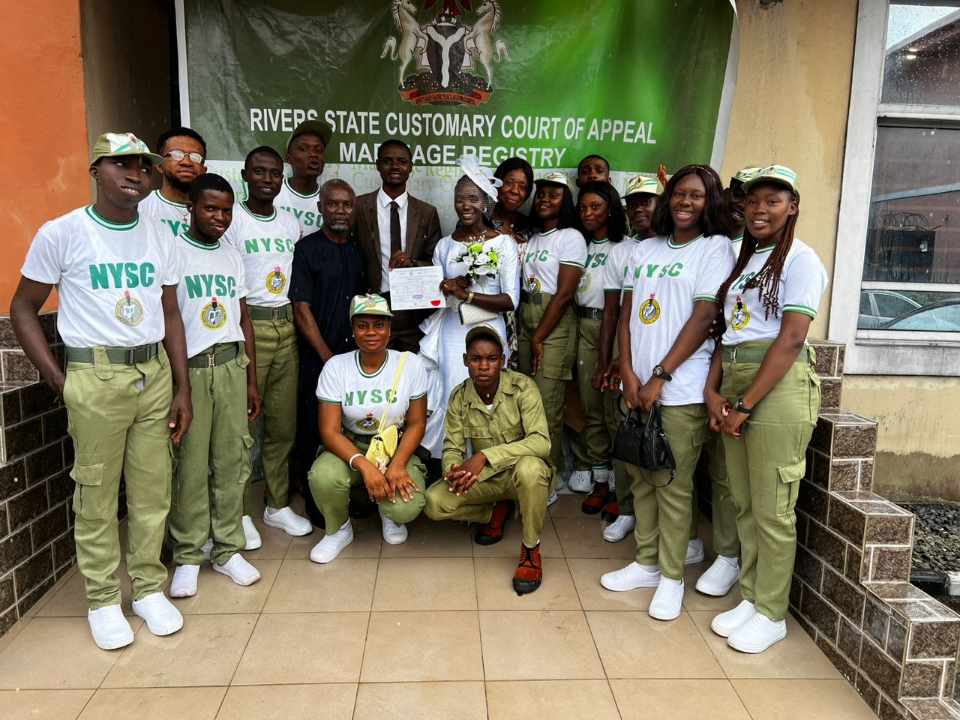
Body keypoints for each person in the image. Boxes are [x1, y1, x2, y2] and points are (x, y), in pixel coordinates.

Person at [10, 132, 192, 649]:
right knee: (96, 493)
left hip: (152, 372)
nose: (135, 174)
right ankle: (103, 598)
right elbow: (23, 308)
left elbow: (171, 313)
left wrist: (182, 387)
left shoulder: (160, 235)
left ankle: (149, 588)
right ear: (95, 171)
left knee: (152, 490)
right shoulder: (62, 232)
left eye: (144, 166)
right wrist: (60, 380)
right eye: (121, 164)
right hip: (95, 376)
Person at [602, 164, 733, 622]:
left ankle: (672, 578)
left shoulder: (715, 248)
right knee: (641, 474)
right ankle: (646, 563)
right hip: (637, 385)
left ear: (710, 202)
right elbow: (627, 316)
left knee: (673, 487)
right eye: (679, 193)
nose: (685, 202)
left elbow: (703, 317)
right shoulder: (645, 248)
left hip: (680, 389)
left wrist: (661, 374)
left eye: (696, 195)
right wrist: (628, 372)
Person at [706, 165, 827, 653]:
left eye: (773, 201)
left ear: (792, 207)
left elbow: (792, 338)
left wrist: (745, 404)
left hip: (776, 387)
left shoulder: (801, 259)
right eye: (753, 201)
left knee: (773, 509)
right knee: (745, 501)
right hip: (738, 378)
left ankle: (772, 613)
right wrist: (716, 392)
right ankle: (752, 596)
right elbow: (731, 331)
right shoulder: (748, 258)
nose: (760, 209)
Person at [168, 173, 263, 598]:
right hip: (190, 368)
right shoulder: (172, 251)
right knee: (190, 463)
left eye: (226, 210)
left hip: (230, 365)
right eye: (210, 208)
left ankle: (227, 549)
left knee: (232, 460)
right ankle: (189, 554)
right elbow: (169, 318)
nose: (219, 217)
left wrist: (250, 380)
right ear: (191, 207)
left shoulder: (231, 254)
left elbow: (243, 319)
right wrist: (180, 387)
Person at [224, 146, 312, 549]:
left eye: (274, 174)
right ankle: (240, 512)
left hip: (286, 324)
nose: (267, 180)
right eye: (259, 172)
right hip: (250, 325)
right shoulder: (233, 220)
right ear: (245, 175)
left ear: (282, 178)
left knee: (281, 425)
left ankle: (276, 505)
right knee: (244, 427)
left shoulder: (290, 223)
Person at [425, 325, 552, 594]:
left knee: (530, 469)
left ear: (502, 361)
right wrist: (453, 470)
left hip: (521, 476)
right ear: (465, 361)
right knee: (435, 502)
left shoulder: (523, 388)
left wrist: (484, 456)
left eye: (492, 359)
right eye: (476, 359)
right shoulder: (459, 396)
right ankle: (495, 512)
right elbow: (452, 447)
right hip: (488, 480)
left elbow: (542, 442)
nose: (484, 366)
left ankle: (530, 550)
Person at [307, 294, 429, 562]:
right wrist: (364, 465)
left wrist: (397, 466)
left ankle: (389, 514)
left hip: (394, 446)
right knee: (323, 477)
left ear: (389, 329)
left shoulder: (410, 364)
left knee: (406, 506)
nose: (371, 332)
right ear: (353, 330)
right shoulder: (336, 367)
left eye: (379, 325)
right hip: (351, 445)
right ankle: (338, 529)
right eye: (362, 326)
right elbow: (329, 431)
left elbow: (417, 423)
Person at [692, 166, 763, 598]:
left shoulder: (768, 256)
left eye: (750, 199)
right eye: (738, 196)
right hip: (705, 367)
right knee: (700, 464)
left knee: (728, 472)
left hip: (745, 372)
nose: (742, 206)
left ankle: (730, 556)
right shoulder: (717, 247)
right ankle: (707, 546)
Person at [421, 158, 520, 458]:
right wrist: (423, 277)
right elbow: (437, 294)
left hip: (489, 327)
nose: (465, 205)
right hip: (453, 330)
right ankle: (450, 461)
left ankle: (489, 461)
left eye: (473, 198)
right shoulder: (445, 245)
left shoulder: (503, 244)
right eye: (460, 199)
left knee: (488, 392)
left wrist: (468, 295)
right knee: (453, 389)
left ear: (486, 202)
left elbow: (510, 300)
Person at [586, 175, 660, 541]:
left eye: (647, 201)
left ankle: (671, 525)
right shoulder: (622, 252)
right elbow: (613, 313)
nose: (639, 209)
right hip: (627, 349)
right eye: (633, 203)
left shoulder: (687, 248)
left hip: (669, 356)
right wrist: (608, 360)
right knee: (624, 425)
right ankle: (627, 507)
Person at [290, 179, 367, 526]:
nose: (340, 211)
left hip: (352, 359)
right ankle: (315, 503)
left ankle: (349, 494)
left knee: (347, 427)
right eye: (333, 204)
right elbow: (301, 309)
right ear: (320, 207)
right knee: (312, 429)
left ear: (354, 210)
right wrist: (327, 358)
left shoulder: (357, 252)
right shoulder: (306, 250)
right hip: (317, 360)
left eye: (346, 205)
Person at [517, 172, 586, 493]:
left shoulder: (571, 237)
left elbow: (564, 294)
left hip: (553, 326)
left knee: (547, 406)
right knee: (525, 405)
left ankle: (550, 479)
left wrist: (539, 337)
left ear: (566, 201)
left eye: (554, 194)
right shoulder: (533, 238)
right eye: (541, 194)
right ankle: (530, 474)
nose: (545, 199)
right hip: (527, 321)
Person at [567, 182, 627, 499]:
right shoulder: (581, 246)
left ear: (611, 209)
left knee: (613, 407)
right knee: (590, 403)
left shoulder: (626, 247)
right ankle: (600, 477)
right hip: (584, 323)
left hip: (614, 327)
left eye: (596, 207)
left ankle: (620, 482)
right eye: (583, 208)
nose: (588, 213)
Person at [353, 139, 442, 352]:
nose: (395, 166)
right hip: (370, 309)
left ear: (410, 167)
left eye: (402, 161)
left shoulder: (427, 212)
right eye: (388, 161)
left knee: (408, 368)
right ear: (377, 165)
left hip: (412, 312)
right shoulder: (359, 206)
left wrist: (412, 263)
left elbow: (436, 262)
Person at [491, 157, 534, 366]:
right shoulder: (479, 222)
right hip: (490, 309)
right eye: (509, 183)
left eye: (523, 186)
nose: (515, 191)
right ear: (497, 184)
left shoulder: (529, 226)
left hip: (523, 315)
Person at [140, 126, 207, 240]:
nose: (186, 162)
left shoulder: (217, 214)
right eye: (176, 154)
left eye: (195, 157)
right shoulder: (141, 207)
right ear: (159, 166)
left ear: (204, 170)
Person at [275, 119, 334, 236]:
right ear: (289, 158)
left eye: (319, 150)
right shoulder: (273, 194)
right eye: (303, 149)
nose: (313, 154)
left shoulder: (330, 201)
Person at [722, 166, 762, 256]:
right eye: (738, 194)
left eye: (752, 201)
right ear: (726, 192)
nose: (742, 205)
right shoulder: (697, 232)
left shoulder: (751, 255)